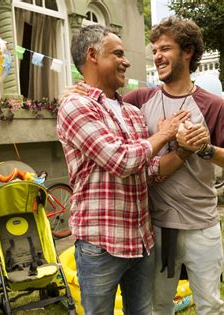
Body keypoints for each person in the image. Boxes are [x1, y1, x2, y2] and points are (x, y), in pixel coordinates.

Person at [56, 24, 208, 314]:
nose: (127, 61)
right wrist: (164, 134)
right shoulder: (76, 105)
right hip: (100, 243)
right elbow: (121, 160)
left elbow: (147, 170)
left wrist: (184, 151)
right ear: (92, 56)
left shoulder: (131, 111)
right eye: (118, 54)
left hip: (141, 241)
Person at [123, 16, 224, 314]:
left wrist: (206, 149)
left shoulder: (212, 105)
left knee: (210, 305)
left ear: (188, 52)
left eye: (165, 48)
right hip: (157, 226)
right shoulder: (140, 99)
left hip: (201, 225)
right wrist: (81, 90)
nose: (157, 56)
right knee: (159, 305)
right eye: (154, 49)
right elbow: (103, 105)